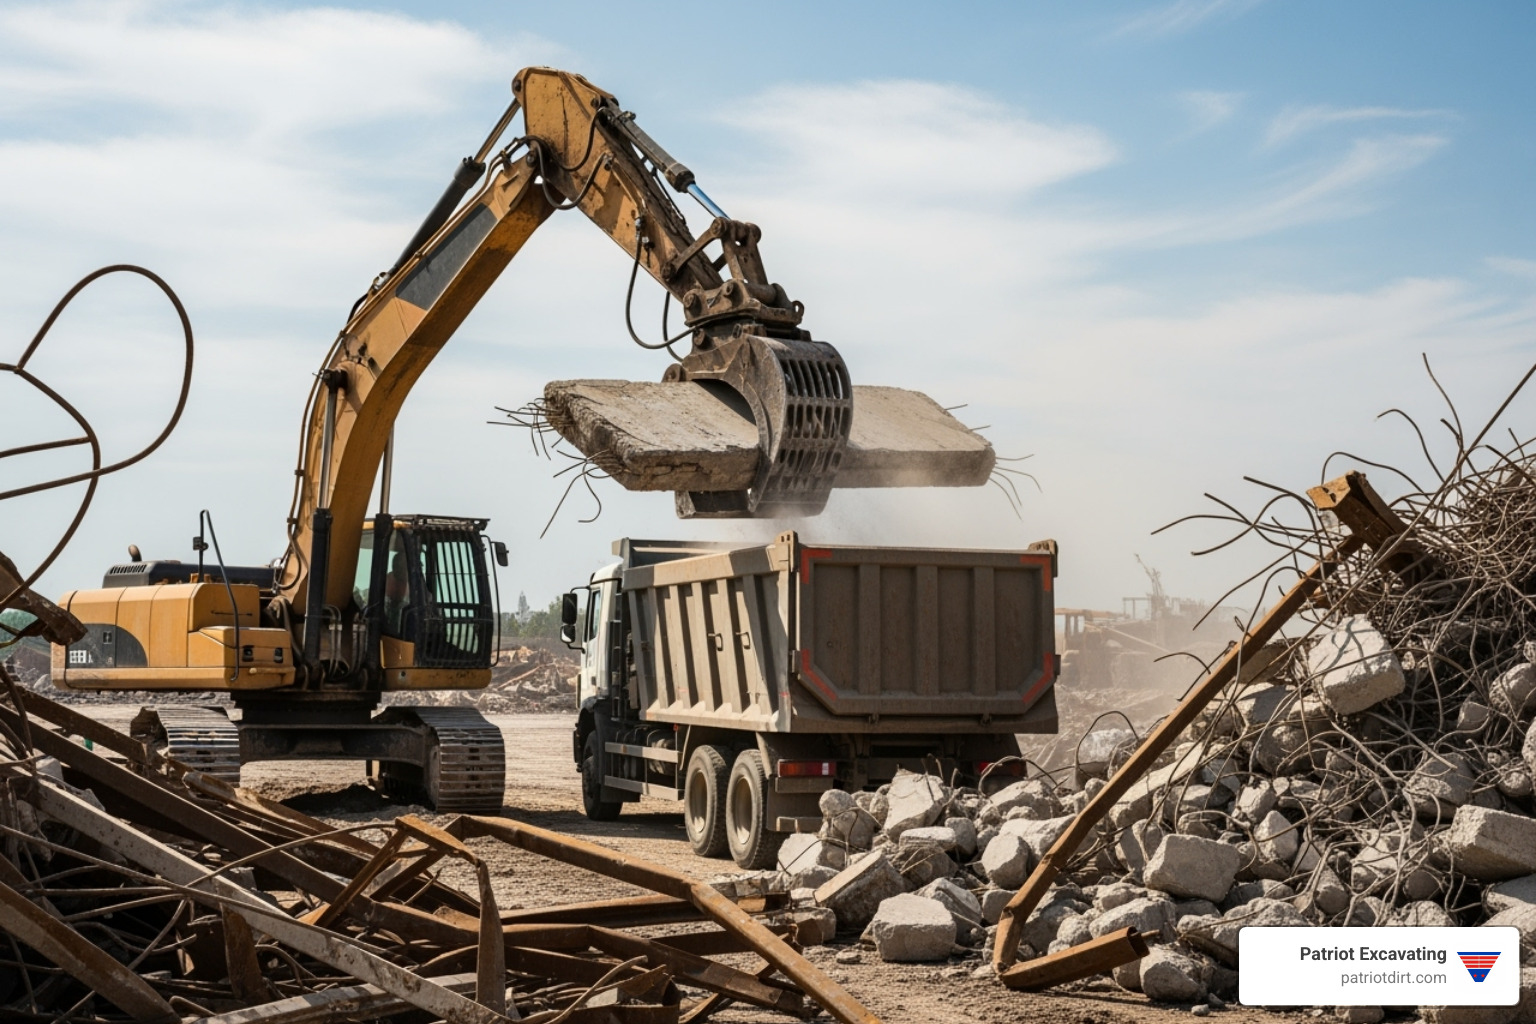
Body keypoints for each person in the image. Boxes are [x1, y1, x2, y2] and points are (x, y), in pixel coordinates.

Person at [383, 553, 410, 635]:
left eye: (402, 565)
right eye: (397, 564)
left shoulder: (416, 582)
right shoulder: (386, 579)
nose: (399, 567)